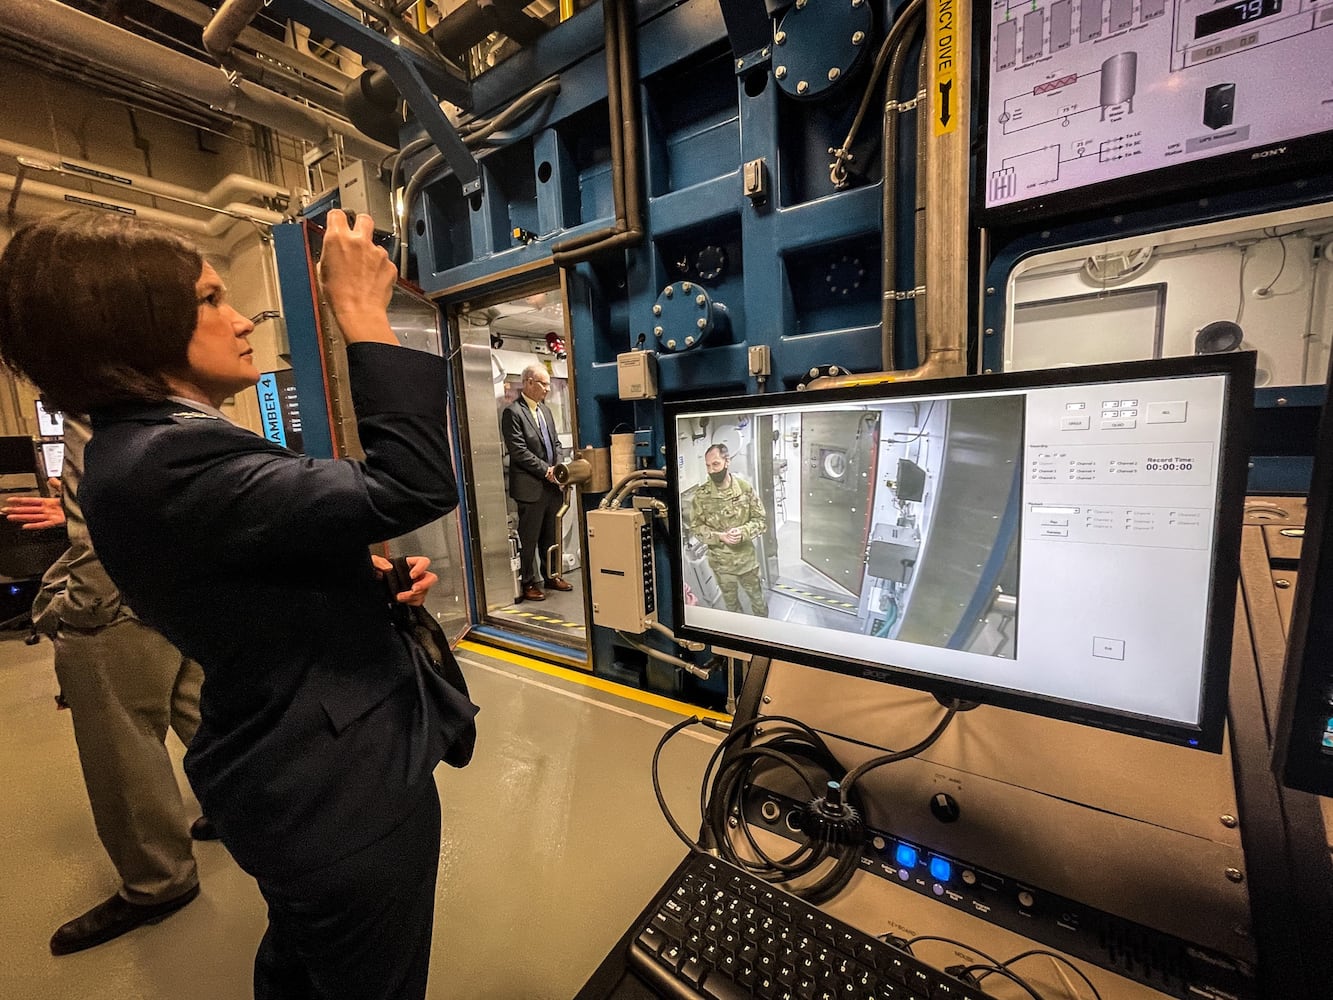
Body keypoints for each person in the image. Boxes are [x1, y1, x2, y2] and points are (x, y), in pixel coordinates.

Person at [0, 209, 478, 1000]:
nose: (242, 319)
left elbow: (236, 574)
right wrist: (361, 313)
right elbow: (414, 484)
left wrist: (359, 579)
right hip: (337, 792)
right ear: (136, 329)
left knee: (301, 965)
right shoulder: (166, 458)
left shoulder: (150, 443)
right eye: (210, 300)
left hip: (291, 778)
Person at [3, 418, 218, 957]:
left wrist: (74, 612)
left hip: (114, 606)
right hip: (177, 589)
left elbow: (96, 541)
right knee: (203, 710)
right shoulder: (172, 402)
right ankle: (250, 807)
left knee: (121, 750)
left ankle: (157, 883)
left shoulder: (88, 408)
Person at [500, 362, 572, 601]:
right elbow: (519, 451)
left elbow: (556, 444)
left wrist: (558, 469)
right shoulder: (513, 413)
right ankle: (528, 582)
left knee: (551, 536)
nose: (547, 390)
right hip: (530, 487)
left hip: (551, 486)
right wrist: (547, 470)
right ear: (529, 382)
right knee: (529, 539)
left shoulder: (546, 412)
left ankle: (551, 575)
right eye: (543, 384)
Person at [690, 442, 769, 617]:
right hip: (721, 566)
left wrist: (743, 532)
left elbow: (761, 520)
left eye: (716, 464)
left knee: (758, 602)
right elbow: (696, 527)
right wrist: (720, 537)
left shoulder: (744, 489)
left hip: (746, 562)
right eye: (708, 466)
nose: (711, 470)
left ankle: (764, 635)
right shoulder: (702, 495)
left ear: (727, 461)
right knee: (732, 608)